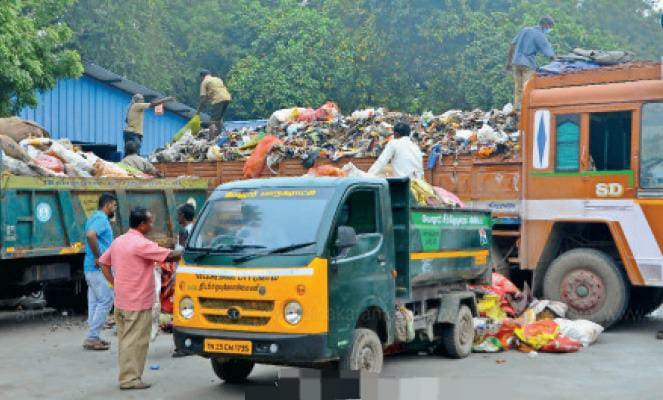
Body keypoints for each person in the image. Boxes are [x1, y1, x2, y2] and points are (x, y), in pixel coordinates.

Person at [99, 207, 182, 390]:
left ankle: (128, 376)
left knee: (126, 340)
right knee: (135, 342)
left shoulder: (119, 241)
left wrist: (114, 283)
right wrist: (190, 251)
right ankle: (130, 379)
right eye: (150, 221)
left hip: (122, 300)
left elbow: (103, 263)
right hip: (137, 302)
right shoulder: (140, 244)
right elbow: (169, 255)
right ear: (142, 225)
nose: (152, 224)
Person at [82, 193, 117, 351]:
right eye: (114, 206)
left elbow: (94, 235)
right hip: (98, 269)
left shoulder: (94, 217)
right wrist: (99, 257)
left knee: (95, 302)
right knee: (106, 300)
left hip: (90, 268)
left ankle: (93, 335)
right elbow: (91, 235)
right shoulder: (101, 219)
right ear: (108, 205)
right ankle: (92, 337)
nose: (115, 208)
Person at [506, 16, 556, 109]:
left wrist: (509, 62)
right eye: (550, 27)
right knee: (527, 88)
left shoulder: (524, 30)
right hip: (527, 64)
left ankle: (517, 109)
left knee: (518, 89)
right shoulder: (539, 34)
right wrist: (556, 61)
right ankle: (526, 110)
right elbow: (548, 51)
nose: (549, 29)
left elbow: (512, 44)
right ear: (545, 25)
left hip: (516, 62)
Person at [197, 69, 232, 135]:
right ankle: (219, 134)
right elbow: (211, 93)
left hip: (218, 99)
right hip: (227, 98)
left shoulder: (204, 82)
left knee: (212, 121)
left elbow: (203, 99)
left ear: (202, 76)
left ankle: (211, 138)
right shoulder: (217, 79)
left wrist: (198, 111)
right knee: (219, 118)